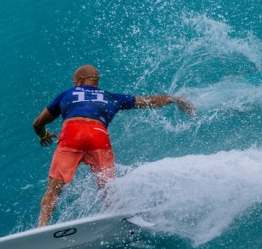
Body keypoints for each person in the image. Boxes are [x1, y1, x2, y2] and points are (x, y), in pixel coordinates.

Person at [32, 64, 195, 226]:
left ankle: (41, 226)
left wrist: (43, 135)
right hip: (98, 135)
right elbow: (148, 101)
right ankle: (124, 219)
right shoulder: (111, 97)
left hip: (72, 134)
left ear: (80, 81)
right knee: (107, 188)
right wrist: (174, 99)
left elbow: (38, 123)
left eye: (75, 82)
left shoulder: (67, 94)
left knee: (53, 189)